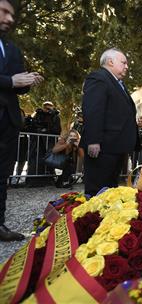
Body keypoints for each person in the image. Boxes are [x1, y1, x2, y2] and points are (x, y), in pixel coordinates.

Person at [0, 0, 44, 241]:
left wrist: (27, 81)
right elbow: (10, 81)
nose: (9, 18)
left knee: (1, 175)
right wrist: (10, 81)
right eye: (4, 12)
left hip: (8, 121)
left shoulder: (12, 49)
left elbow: (18, 85)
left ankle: (0, 224)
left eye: (12, 15)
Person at [80, 48, 139, 196]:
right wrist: (93, 140)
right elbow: (93, 110)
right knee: (97, 192)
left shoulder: (118, 83)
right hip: (103, 146)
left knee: (110, 191)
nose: (127, 66)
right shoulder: (98, 78)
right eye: (123, 62)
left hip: (115, 146)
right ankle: (92, 219)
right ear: (111, 61)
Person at [26, 101, 62, 186]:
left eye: (49, 106)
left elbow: (57, 130)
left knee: (49, 160)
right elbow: (32, 127)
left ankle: (49, 179)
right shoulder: (38, 114)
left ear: (53, 107)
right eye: (45, 106)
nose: (47, 108)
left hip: (49, 143)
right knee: (36, 160)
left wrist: (46, 131)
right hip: (37, 144)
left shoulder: (55, 117)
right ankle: (33, 180)